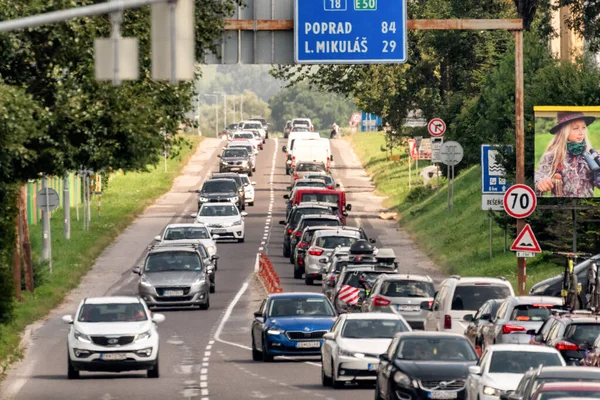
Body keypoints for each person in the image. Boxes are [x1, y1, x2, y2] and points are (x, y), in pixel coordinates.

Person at [535, 112, 598, 197]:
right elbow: (538, 175)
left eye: (583, 127)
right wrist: (540, 182)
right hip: (562, 206)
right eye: (575, 128)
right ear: (564, 131)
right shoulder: (552, 156)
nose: (581, 132)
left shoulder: (591, 155)